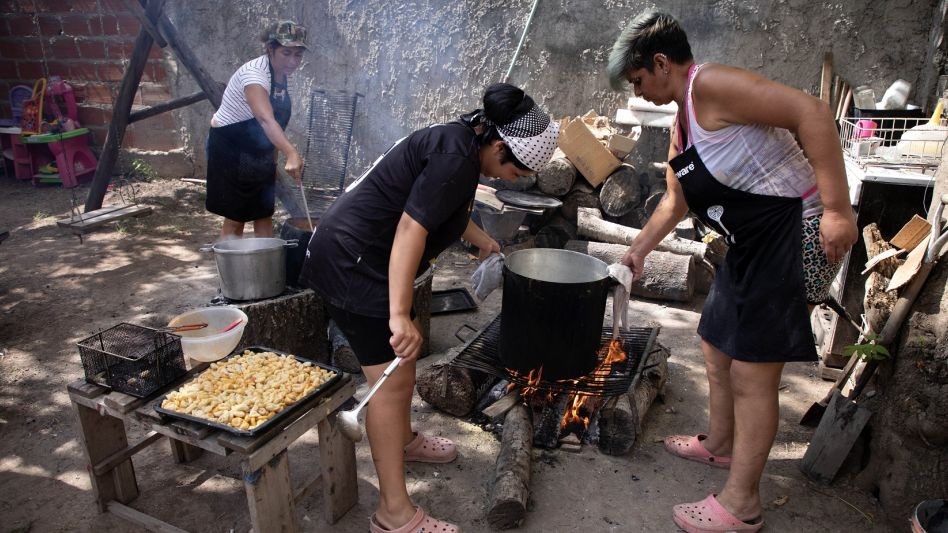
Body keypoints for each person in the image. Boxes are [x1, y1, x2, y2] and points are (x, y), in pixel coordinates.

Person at [607, 12, 858, 533]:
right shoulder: (681, 120)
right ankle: (721, 445)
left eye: (638, 81)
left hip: (795, 232)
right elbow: (675, 203)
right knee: (715, 341)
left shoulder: (713, 85)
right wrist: (638, 251)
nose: (639, 92)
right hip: (751, 241)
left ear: (660, 63)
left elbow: (810, 112)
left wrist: (838, 209)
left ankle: (742, 503)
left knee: (752, 370)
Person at [298, 83, 559, 533]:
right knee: (391, 381)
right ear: (499, 145)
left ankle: (403, 441)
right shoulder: (457, 159)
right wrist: (399, 314)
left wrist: (484, 241)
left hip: (360, 256)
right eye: (513, 170)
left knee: (403, 363)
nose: (510, 179)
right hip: (351, 263)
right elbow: (409, 230)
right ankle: (393, 515)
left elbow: (447, 208)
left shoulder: (460, 141)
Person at [205, 20, 307, 240]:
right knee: (236, 217)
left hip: (258, 148)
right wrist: (291, 152)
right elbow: (266, 119)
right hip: (230, 147)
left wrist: (273, 155)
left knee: (263, 212)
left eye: (298, 55)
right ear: (270, 49)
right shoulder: (255, 75)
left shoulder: (280, 74)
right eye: (286, 53)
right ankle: (231, 273)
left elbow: (276, 120)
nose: (292, 61)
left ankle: (267, 271)